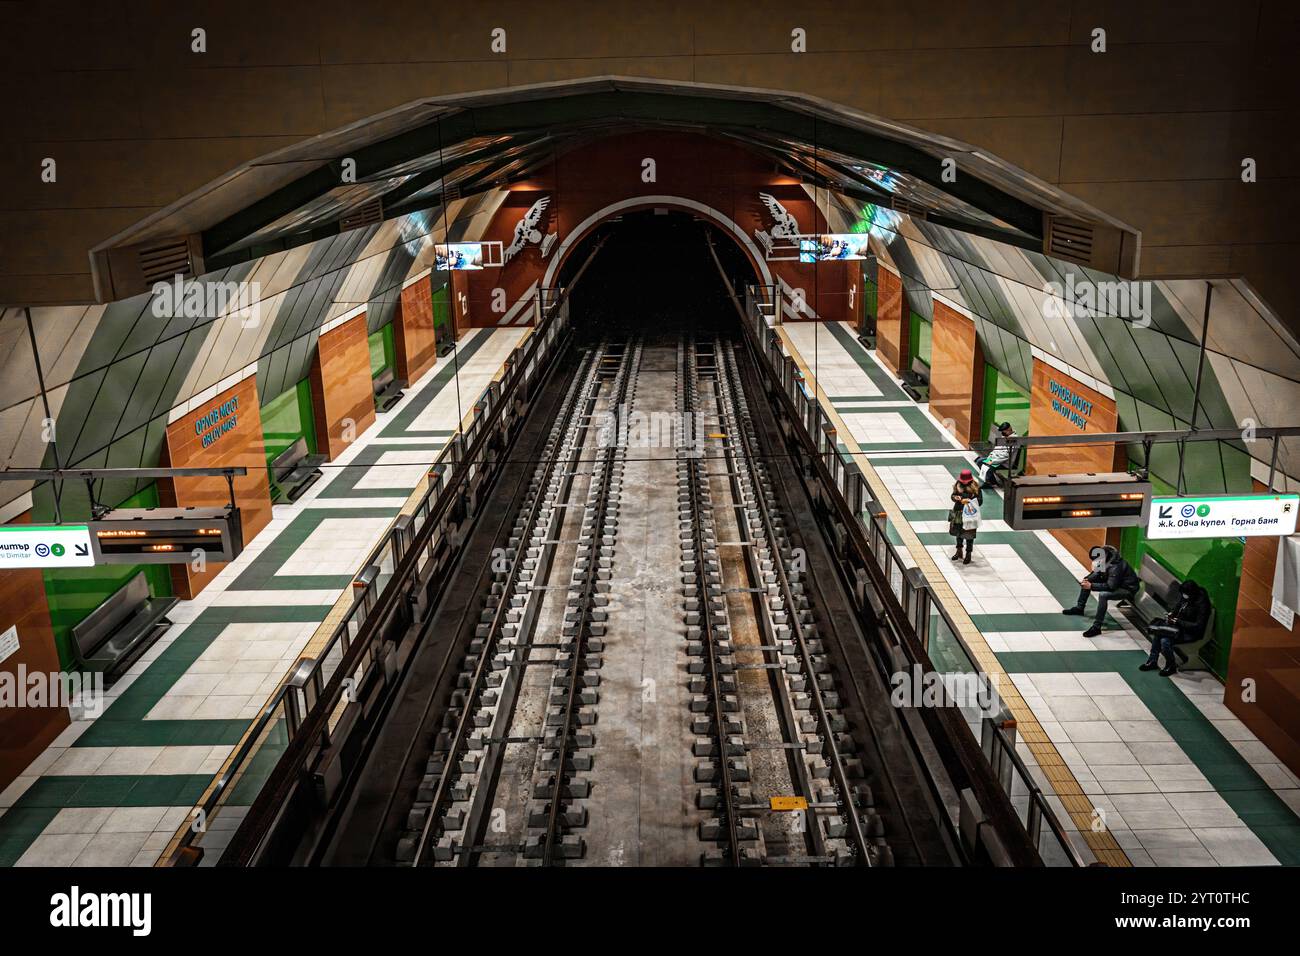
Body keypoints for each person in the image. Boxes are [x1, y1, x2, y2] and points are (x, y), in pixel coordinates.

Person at [1062, 544, 1140, 637]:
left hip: (1127, 589)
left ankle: (1096, 627)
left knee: (1103, 595)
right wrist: (1087, 579)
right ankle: (1080, 608)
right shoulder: (1104, 557)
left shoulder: (1115, 566)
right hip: (1115, 583)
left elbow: (1111, 586)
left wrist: (1091, 586)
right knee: (1087, 582)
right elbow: (1096, 573)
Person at [1140, 580, 1211, 677]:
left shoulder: (1202, 605)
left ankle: (1170, 665)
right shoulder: (1187, 596)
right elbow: (1178, 606)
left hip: (1190, 633)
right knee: (1158, 633)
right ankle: (1152, 661)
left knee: (1165, 640)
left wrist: (1178, 621)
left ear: (1192, 593)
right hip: (1178, 628)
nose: (1183, 596)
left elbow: (1198, 626)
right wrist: (1172, 613)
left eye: (1185, 594)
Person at [948, 468, 983, 565]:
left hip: (970, 514)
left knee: (969, 534)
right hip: (958, 512)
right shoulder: (957, 485)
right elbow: (952, 496)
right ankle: (959, 551)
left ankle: (968, 553)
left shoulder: (976, 487)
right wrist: (956, 498)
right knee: (958, 532)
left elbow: (980, 501)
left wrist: (968, 500)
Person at [976, 422, 1017, 488]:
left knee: (989, 467)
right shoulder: (1004, 437)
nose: (1003, 433)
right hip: (995, 459)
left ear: (1009, 429)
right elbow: (996, 449)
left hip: (1003, 463)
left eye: (1004, 431)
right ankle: (992, 481)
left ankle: (988, 482)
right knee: (979, 461)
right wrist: (990, 457)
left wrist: (992, 461)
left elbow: (1005, 456)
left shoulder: (1014, 440)